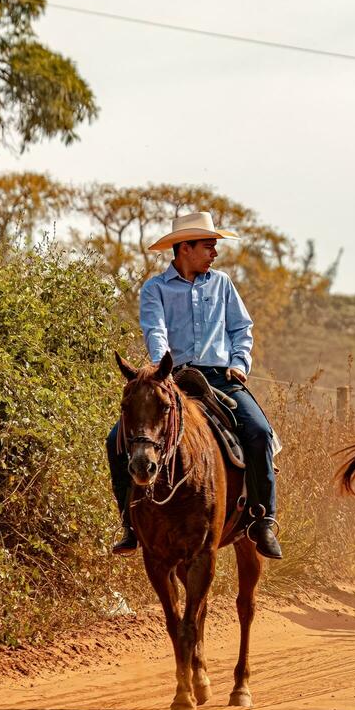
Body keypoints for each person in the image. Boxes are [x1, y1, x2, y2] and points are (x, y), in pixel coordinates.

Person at [107, 212, 283, 559]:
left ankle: (262, 520)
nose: (214, 253)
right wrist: (162, 367)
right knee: (116, 439)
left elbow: (241, 329)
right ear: (184, 248)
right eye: (208, 246)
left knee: (260, 433)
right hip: (172, 376)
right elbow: (155, 330)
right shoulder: (155, 289)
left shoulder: (222, 284)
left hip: (221, 377)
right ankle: (130, 523)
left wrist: (238, 363)